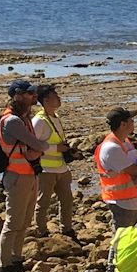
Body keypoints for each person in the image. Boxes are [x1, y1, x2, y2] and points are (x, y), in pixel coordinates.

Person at [0, 80, 49, 272]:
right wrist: (38, 149)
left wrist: (36, 150)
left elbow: (37, 148)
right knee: (13, 222)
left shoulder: (23, 118)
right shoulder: (13, 121)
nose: (34, 95)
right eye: (29, 93)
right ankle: (3, 264)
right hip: (17, 177)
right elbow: (40, 146)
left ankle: (16, 258)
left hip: (29, 174)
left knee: (24, 221)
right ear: (17, 95)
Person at [29, 83, 79, 240]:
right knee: (42, 203)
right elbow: (32, 145)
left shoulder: (55, 118)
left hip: (61, 168)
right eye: (55, 96)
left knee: (67, 200)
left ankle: (67, 229)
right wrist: (55, 148)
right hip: (45, 170)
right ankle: (42, 231)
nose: (59, 98)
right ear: (45, 100)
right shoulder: (39, 121)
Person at [96, 106, 137, 231]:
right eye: (131, 120)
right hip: (122, 202)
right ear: (123, 124)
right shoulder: (111, 148)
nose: (133, 122)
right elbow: (135, 169)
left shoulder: (124, 141)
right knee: (121, 241)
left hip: (134, 198)